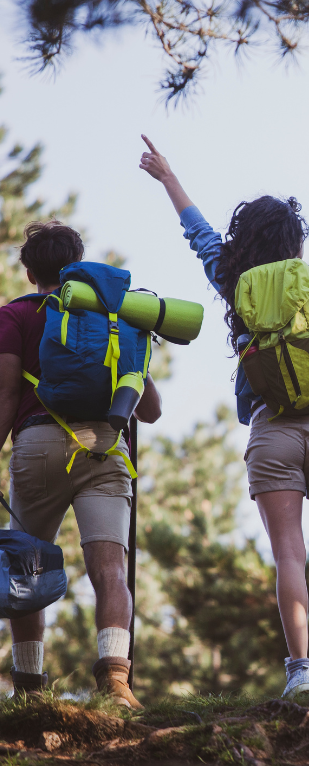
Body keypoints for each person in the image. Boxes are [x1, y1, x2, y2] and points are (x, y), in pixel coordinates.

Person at [139, 102, 309, 696]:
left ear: (244, 243)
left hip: (270, 428)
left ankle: (299, 672)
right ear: (295, 240)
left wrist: (169, 177)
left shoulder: (232, 279)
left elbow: (198, 238)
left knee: (289, 556)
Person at [0, 220, 162, 705]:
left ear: (30, 274)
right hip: (105, 448)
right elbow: (150, 410)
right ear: (75, 266)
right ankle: (115, 679)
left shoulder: (13, 316)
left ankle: (29, 688)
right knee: (110, 569)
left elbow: (7, 394)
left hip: (38, 448)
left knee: (26, 569)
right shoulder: (114, 316)